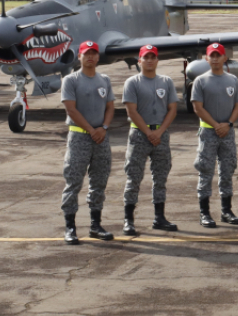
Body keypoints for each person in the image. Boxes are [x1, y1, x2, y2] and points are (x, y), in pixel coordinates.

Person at [60, 40, 116, 244]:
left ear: (98, 57)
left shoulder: (105, 80)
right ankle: (70, 227)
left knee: (99, 181)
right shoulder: (71, 80)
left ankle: (95, 225)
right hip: (79, 137)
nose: (90, 56)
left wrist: (104, 128)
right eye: (86, 53)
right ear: (79, 57)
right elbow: (71, 109)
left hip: (101, 137)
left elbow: (110, 107)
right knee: (74, 180)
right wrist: (92, 130)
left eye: (94, 53)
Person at [121, 44, 178, 235]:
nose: (150, 60)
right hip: (139, 135)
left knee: (160, 177)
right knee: (134, 178)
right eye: (146, 57)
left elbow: (172, 109)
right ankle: (128, 220)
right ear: (140, 60)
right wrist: (148, 132)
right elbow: (131, 110)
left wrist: (160, 132)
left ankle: (159, 217)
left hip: (161, 135)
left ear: (158, 60)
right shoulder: (132, 82)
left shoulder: (166, 81)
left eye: (153, 57)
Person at [192, 42, 238, 227]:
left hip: (227, 132)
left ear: (224, 58)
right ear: (206, 58)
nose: (215, 58)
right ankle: (204, 213)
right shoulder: (200, 81)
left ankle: (226, 210)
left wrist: (228, 124)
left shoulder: (232, 80)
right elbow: (197, 107)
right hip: (208, 132)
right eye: (211, 55)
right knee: (206, 170)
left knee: (227, 170)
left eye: (218, 55)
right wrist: (216, 125)